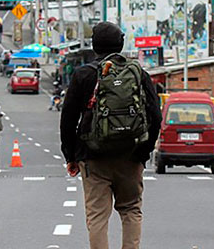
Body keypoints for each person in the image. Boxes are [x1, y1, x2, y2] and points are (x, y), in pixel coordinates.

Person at [60, 21, 162, 249]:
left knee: (97, 215)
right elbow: (155, 116)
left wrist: (71, 155)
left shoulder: (84, 75)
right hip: (131, 155)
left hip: (93, 157)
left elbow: (68, 119)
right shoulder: (138, 73)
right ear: (121, 44)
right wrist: (143, 152)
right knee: (131, 209)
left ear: (94, 45)